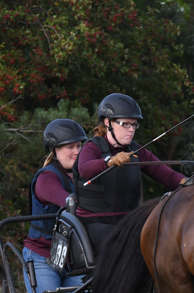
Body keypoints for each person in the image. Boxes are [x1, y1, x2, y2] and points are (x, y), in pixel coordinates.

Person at [73, 93, 186, 253]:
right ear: (108, 122)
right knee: (125, 240)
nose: (131, 129)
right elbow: (85, 168)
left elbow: (169, 177)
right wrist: (110, 161)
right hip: (92, 223)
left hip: (128, 221)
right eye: (125, 124)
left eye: (134, 125)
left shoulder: (138, 151)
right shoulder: (92, 147)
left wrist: (191, 183)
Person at [23, 119, 89, 293]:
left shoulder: (84, 176)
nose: (77, 151)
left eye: (79, 146)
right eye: (70, 147)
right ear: (55, 150)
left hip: (73, 261)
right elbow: (66, 200)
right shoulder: (46, 178)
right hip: (42, 258)